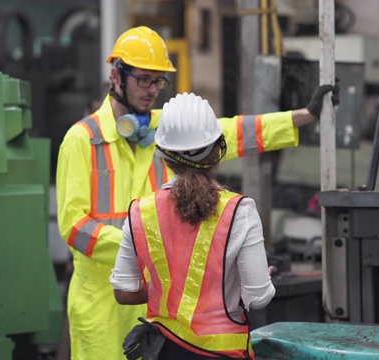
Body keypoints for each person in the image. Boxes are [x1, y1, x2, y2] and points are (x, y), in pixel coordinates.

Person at [56, 25, 338, 360]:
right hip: (102, 307)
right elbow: (74, 225)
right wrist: (149, 243)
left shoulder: (166, 131)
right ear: (117, 76)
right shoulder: (82, 139)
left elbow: (229, 132)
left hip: (163, 310)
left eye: (158, 80)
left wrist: (299, 118)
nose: (152, 90)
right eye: (143, 79)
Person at [111, 92, 274, 359]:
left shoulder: (139, 212)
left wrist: (166, 292)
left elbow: (124, 291)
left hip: (164, 351)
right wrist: (246, 287)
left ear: (164, 157)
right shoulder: (240, 211)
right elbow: (258, 297)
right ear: (217, 153)